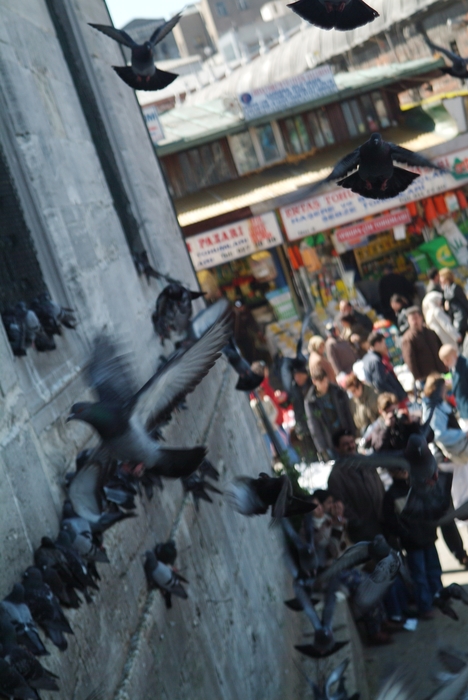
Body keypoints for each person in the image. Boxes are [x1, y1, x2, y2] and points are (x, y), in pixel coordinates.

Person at [382, 465, 442, 619]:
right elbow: (390, 521)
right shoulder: (391, 495)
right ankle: (425, 606)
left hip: (428, 538)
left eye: (404, 469)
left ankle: (440, 599)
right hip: (412, 543)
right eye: (398, 470)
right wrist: (405, 534)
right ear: (391, 472)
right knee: (419, 575)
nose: (402, 472)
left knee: (434, 570)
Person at [327, 429, 385, 543]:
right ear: (337, 449)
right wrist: (359, 523)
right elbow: (341, 505)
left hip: (384, 522)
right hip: (364, 531)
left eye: (352, 442)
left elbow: (380, 486)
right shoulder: (336, 476)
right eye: (345, 444)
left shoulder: (366, 462)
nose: (351, 446)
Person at [422, 373, 468, 508]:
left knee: (463, 484)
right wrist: (462, 434)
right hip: (446, 455)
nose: (445, 391)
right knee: (459, 489)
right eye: (443, 388)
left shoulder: (438, 404)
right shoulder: (432, 408)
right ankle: (462, 518)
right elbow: (439, 434)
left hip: (454, 453)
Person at [304, 369, 355, 459]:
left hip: (344, 432)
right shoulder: (311, 401)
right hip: (330, 439)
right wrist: (322, 448)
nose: (325, 385)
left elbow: (348, 413)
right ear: (314, 382)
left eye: (325, 381)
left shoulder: (337, 391)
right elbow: (314, 426)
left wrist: (353, 431)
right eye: (321, 382)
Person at [401, 306, 445, 384]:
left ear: (421, 317)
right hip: (426, 376)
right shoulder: (408, 338)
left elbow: (441, 348)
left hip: (440, 370)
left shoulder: (430, 332)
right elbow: (410, 359)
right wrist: (418, 377)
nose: (415, 321)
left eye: (416, 318)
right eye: (412, 319)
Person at [363, 331, 407, 403]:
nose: (386, 346)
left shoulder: (367, 358)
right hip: (391, 400)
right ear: (377, 344)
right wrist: (395, 395)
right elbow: (380, 383)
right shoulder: (375, 361)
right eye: (383, 343)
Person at [439, 344, 468, 430]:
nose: (445, 363)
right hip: (462, 409)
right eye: (443, 361)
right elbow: (452, 386)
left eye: (447, 360)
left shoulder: (465, 366)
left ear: (455, 355)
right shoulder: (452, 367)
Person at [440, 268, 468, 343]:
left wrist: (447, 300)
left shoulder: (455, 287)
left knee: (461, 338)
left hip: (461, 316)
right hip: (454, 317)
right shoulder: (446, 288)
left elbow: (463, 302)